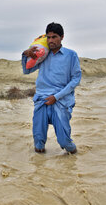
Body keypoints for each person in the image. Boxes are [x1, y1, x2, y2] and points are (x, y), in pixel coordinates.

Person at [22, 22, 81, 154]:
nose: (51, 40)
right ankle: (40, 171)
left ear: (62, 37)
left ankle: (73, 162)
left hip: (61, 100)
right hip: (42, 99)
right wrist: (26, 55)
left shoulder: (71, 55)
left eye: (54, 37)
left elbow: (76, 79)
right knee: (38, 143)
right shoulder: (42, 54)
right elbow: (26, 71)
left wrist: (56, 97)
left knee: (65, 142)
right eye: (48, 37)